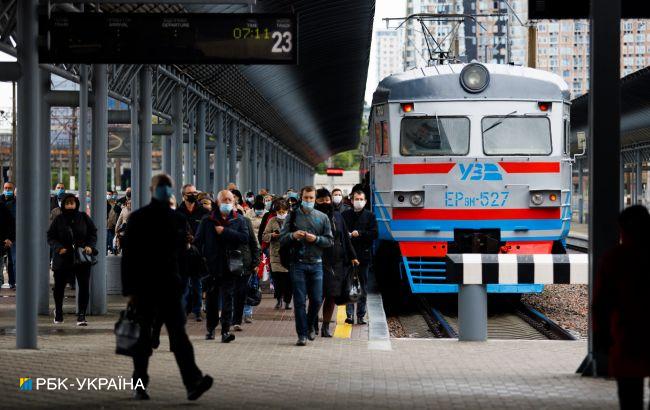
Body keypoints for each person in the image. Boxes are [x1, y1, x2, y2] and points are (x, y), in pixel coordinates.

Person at [121, 174, 213, 401]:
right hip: (157, 287)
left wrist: (131, 290)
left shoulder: (160, 218)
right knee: (153, 337)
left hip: (160, 287)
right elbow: (129, 256)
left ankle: (189, 382)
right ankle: (148, 383)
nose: (164, 190)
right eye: (162, 187)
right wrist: (130, 291)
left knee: (174, 336)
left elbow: (179, 255)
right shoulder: (160, 219)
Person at [593, 205, 650, 409]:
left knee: (630, 399)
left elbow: (601, 303)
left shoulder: (614, 259)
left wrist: (601, 335)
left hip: (626, 338)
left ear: (622, 229)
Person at [279, 186, 333, 346]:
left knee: (316, 299)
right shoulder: (293, 215)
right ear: (301, 198)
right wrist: (292, 235)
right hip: (298, 264)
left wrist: (316, 239)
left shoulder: (322, 217)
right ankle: (302, 334)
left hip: (316, 264)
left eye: (311, 198)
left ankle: (310, 324)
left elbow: (329, 240)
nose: (308, 200)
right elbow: (282, 238)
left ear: (315, 199)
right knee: (300, 301)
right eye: (306, 197)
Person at [195, 190, 249, 343]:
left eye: (229, 199)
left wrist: (225, 231)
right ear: (217, 203)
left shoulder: (239, 220)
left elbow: (244, 238)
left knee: (228, 298)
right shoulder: (207, 220)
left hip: (230, 265)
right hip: (211, 266)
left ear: (234, 202)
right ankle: (211, 329)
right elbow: (198, 242)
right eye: (224, 200)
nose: (227, 202)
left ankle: (225, 330)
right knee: (211, 299)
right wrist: (202, 261)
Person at [47, 194, 98, 325]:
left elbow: (93, 233)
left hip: (81, 257)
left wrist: (89, 246)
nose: (70, 205)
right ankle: (58, 312)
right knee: (59, 287)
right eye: (67, 203)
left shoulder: (83, 217)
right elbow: (51, 237)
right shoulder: (58, 219)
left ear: (76, 204)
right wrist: (59, 248)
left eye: (72, 203)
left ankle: (81, 315)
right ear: (63, 205)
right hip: (63, 257)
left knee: (83, 286)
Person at [314, 188, 359, 337]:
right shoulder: (313, 217)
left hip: (337, 262)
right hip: (319, 260)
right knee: (317, 295)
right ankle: (312, 323)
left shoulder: (338, 217)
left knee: (332, 295)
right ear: (316, 201)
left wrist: (353, 256)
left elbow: (345, 239)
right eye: (321, 200)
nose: (325, 202)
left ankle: (325, 326)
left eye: (327, 200)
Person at [342, 190, 378, 325]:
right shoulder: (344, 215)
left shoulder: (370, 216)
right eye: (356, 199)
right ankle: (349, 315)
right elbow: (338, 232)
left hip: (364, 255)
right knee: (349, 285)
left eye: (361, 199)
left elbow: (374, 234)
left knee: (362, 286)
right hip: (348, 256)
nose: (358, 201)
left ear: (365, 201)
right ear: (351, 201)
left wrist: (360, 234)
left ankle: (361, 315)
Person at [178, 184, 210, 322]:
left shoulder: (203, 212)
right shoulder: (178, 212)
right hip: (182, 253)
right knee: (183, 284)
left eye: (195, 192)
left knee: (197, 284)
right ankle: (184, 310)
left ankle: (197, 311)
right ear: (183, 195)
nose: (193, 195)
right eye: (189, 193)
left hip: (199, 254)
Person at [232, 212, 261, 330]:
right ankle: (228, 317)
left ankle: (236, 320)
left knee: (240, 292)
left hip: (244, 261)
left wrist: (255, 261)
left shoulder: (245, 221)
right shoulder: (217, 221)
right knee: (228, 291)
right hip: (226, 261)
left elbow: (253, 242)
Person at [263, 199, 292, 310]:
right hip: (275, 255)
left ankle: (288, 301)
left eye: (283, 211)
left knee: (289, 281)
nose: (281, 214)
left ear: (287, 211)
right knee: (277, 280)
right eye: (279, 212)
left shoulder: (292, 220)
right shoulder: (272, 221)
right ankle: (279, 299)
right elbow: (264, 236)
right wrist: (272, 235)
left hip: (289, 255)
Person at [0, 181, 16, 289]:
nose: (7, 190)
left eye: (9, 188)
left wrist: (10, 238)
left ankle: (12, 282)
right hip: (1, 237)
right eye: (5, 188)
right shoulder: (0, 202)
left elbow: (13, 223)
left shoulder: (17, 203)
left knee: (12, 260)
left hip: (12, 237)